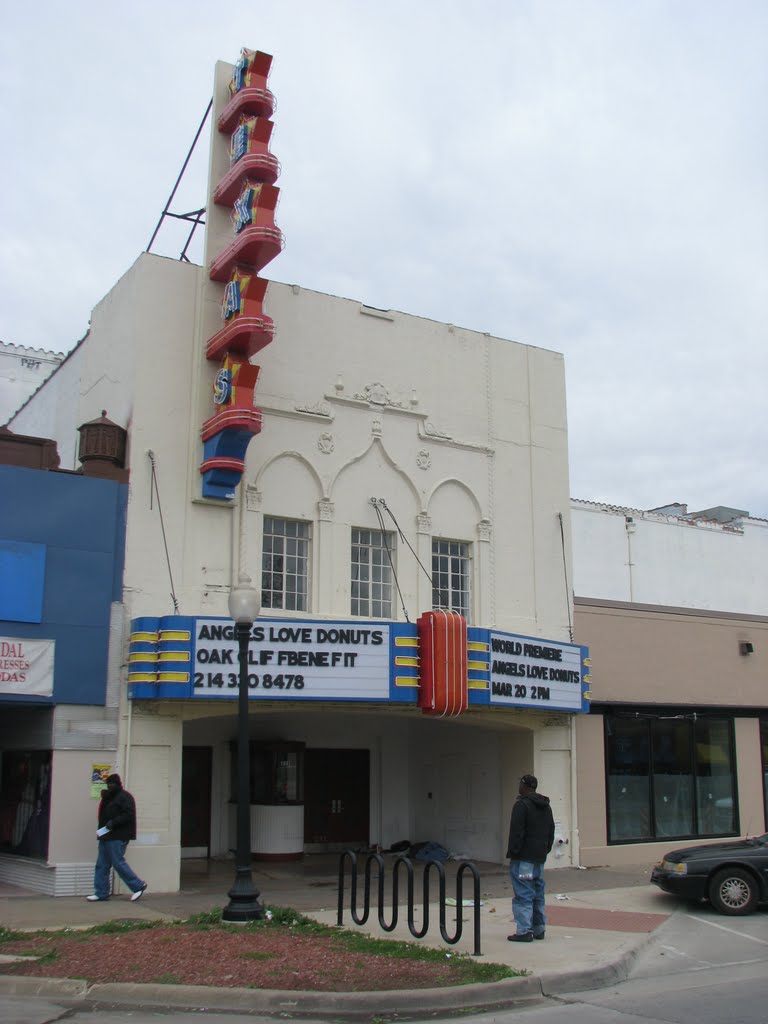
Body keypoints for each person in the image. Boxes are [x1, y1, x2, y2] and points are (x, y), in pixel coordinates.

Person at [506, 773, 555, 942]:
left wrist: (513, 852)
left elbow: (516, 832)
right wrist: (545, 850)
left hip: (523, 859)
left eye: (520, 784)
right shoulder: (546, 806)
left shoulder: (522, 806)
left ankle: (524, 930)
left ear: (524, 786)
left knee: (523, 893)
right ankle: (539, 928)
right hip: (539, 858)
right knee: (537, 893)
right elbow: (551, 831)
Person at [87, 773, 147, 902]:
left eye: (112, 783)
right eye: (108, 784)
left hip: (118, 835)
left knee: (118, 862)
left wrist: (113, 823)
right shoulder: (108, 797)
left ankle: (138, 885)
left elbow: (128, 814)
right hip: (105, 835)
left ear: (118, 784)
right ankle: (101, 892)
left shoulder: (125, 797)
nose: (110, 786)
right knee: (102, 864)